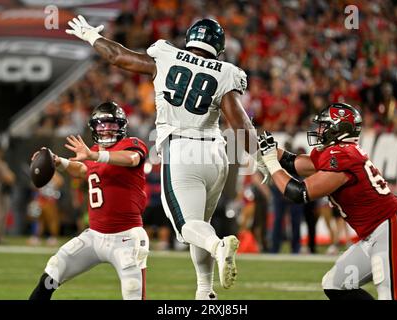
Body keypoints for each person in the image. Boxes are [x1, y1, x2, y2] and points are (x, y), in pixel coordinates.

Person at [65, 15, 269, 299]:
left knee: (188, 228)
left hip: (182, 150)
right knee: (200, 224)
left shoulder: (166, 55)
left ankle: (218, 246)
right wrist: (261, 159)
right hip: (216, 153)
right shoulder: (226, 72)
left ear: (190, 39)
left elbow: (118, 57)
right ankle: (205, 291)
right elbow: (240, 124)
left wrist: (90, 36)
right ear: (218, 47)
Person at [258, 102, 397, 300]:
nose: (319, 131)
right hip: (374, 234)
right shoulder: (337, 152)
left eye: (325, 126)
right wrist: (269, 150)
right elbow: (294, 163)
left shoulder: (342, 155)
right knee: (335, 285)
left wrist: (270, 163)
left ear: (340, 129)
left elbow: (298, 192)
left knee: (391, 296)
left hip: (392, 227)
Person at [29, 102, 150, 300]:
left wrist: (94, 155)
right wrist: (59, 161)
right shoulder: (94, 152)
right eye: (102, 125)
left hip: (126, 238)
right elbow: (83, 169)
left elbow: (131, 160)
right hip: (94, 237)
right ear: (94, 128)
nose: (106, 130)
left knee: (133, 290)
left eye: (111, 124)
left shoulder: (131, 144)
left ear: (122, 126)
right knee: (54, 269)